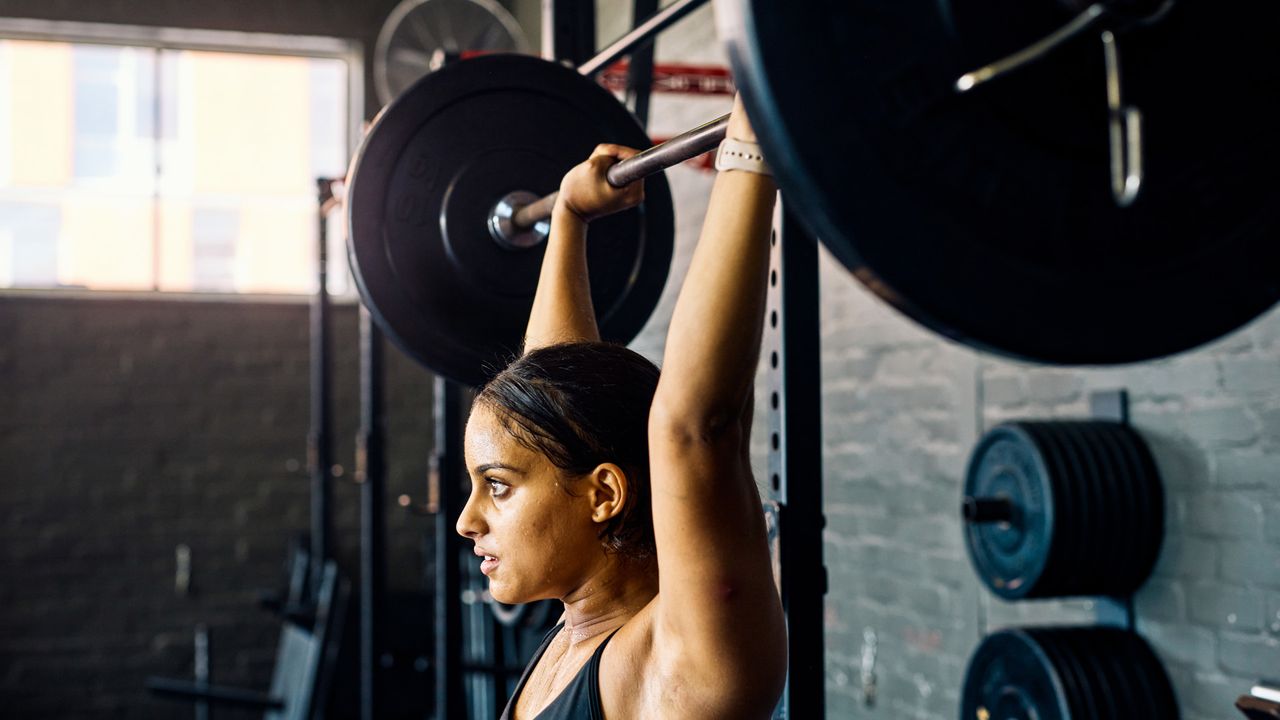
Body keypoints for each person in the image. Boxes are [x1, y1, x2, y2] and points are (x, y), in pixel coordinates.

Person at [456, 94, 786, 719]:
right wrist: (570, 218)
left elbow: (696, 426)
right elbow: (556, 394)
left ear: (604, 495)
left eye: (496, 486)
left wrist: (753, 142)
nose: (466, 521)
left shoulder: (678, 668)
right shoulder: (577, 636)